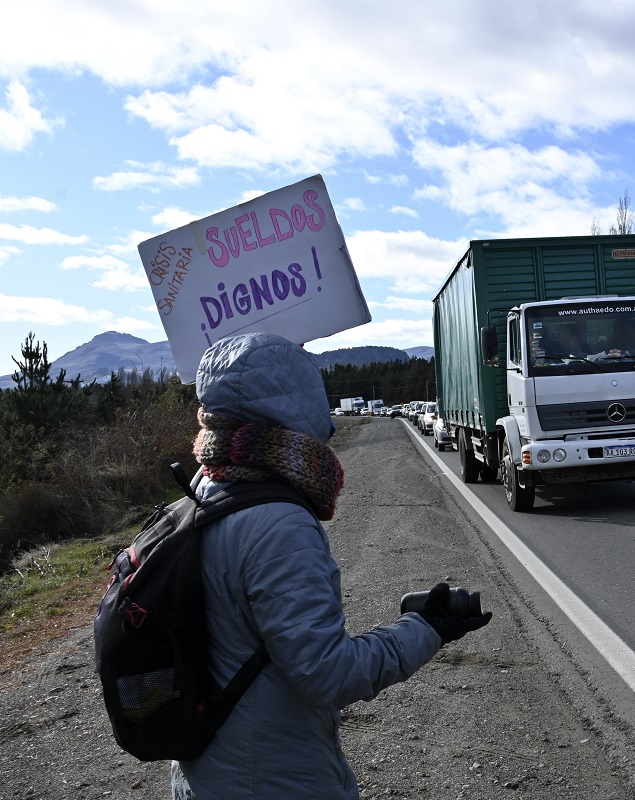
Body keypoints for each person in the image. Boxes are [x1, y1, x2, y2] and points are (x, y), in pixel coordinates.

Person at [172, 332, 492, 800]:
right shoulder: (276, 524)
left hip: (208, 770)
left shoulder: (207, 486)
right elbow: (328, 674)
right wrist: (428, 628)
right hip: (274, 779)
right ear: (297, 408)